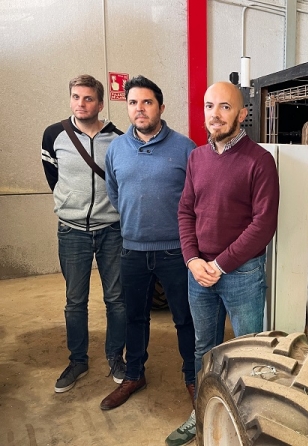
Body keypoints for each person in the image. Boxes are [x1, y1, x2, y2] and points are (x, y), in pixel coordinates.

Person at [166, 81, 279, 446]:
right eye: (209, 106)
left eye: (225, 107)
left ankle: (248, 422)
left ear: (243, 113)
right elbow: (186, 211)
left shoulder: (259, 161)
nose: (215, 114)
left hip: (242, 273)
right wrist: (192, 259)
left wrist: (222, 264)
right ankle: (202, 411)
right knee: (205, 349)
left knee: (247, 351)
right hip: (199, 272)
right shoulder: (197, 157)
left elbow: (263, 225)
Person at [100, 76, 197, 411]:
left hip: (175, 250)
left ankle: (193, 376)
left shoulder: (185, 148)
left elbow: (195, 198)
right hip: (132, 250)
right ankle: (134, 374)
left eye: (146, 102)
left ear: (161, 107)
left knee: (185, 318)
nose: (139, 109)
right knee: (134, 317)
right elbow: (115, 192)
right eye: (132, 103)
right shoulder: (116, 149)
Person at [41, 74, 126, 393]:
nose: (81, 103)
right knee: (74, 300)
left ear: (100, 103)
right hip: (72, 231)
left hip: (111, 231)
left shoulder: (118, 139)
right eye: (76, 97)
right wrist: (70, 204)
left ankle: (116, 358)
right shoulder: (54, 135)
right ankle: (78, 360)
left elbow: (120, 183)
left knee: (116, 299)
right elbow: (53, 175)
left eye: (88, 98)